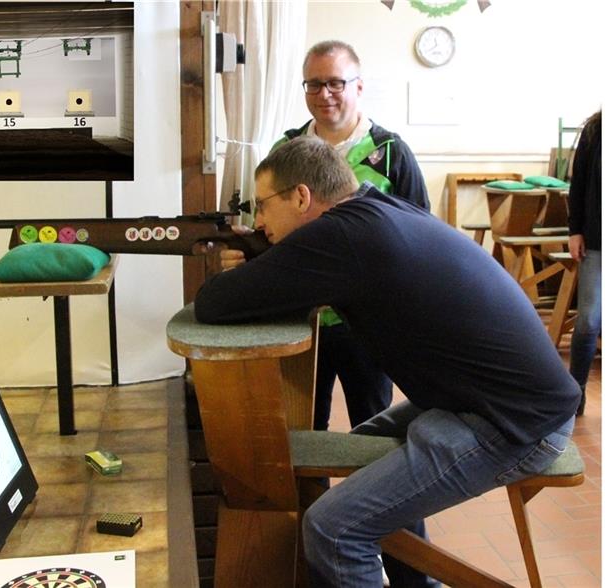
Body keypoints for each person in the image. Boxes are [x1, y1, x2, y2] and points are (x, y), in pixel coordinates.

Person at [195, 136, 579, 588]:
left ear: (301, 196)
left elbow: (213, 303)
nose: (259, 222)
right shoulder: (377, 209)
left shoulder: (339, 236)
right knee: (357, 454)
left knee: (333, 528)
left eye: (262, 206)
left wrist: (240, 267)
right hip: (494, 402)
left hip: (516, 425)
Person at [223, 40, 430, 432]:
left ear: (358, 86)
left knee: (374, 428)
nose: (324, 95)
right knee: (300, 427)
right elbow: (265, 229)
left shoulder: (390, 152)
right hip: (300, 318)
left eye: (335, 83)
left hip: (368, 324)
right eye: (313, 85)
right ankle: (310, 496)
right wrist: (243, 257)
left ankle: (370, 495)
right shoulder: (285, 149)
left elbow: (417, 238)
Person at [567, 109, 602, 416]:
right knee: (589, 320)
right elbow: (577, 184)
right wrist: (575, 230)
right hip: (597, 240)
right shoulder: (594, 130)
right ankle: (574, 393)